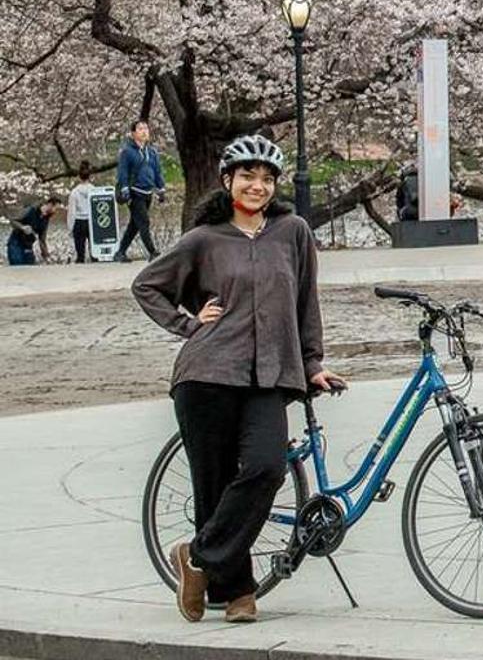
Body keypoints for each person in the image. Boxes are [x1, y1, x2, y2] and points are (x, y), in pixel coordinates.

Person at [131, 135, 342, 624]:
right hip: (207, 374)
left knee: (266, 468)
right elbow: (147, 285)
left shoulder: (292, 232)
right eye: (248, 176)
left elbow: (306, 303)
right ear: (227, 181)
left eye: (267, 179)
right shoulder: (204, 239)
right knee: (214, 484)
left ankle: (198, 558)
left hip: (270, 376)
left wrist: (312, 363)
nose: (258, 186)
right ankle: (237, 593)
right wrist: (188, 324)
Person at [114, 119, 167, 262]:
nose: (144, 132)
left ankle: (120, 252)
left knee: (135, 224)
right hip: (134, 192)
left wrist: (161, 188)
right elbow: (122, 171)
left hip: (148, 192)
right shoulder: (127, 151)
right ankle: (153, 252)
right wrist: (124, 188)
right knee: (143, 221)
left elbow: (157, 171)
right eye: (140, 129)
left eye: (146, 129)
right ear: (133, 133)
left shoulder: (152, 152)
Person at [8, 195, 60, 265]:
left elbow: (42, 240)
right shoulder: (31, 210)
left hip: (28, 245)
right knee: (17, 266)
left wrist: (46, 256)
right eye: (55, 209)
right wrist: (22, 227)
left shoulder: (45, 219)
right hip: (16, 243)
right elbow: (13, 221)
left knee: (31, 267)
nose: (56, 212)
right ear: (50, 204)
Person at [67, 166, 97, 262]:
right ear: (89, 177)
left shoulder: (74, 192)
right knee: (94, 250)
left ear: (79, 177)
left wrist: (70, 227)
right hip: (92, 221)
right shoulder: (94, 190)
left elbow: (72, 211)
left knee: (80, 252)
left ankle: (81, 266)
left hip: (79, 221)